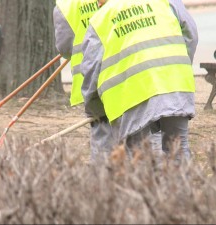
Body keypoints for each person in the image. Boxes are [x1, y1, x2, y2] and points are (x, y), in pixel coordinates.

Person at [81, 0, 198, 161]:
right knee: (178, 148)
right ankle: (181, 185)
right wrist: (180, 67)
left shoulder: (102, 18)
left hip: (134, 94)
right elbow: (191, 35)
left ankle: (148, 185)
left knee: (139, 155)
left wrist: (94, 109)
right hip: (175, 83)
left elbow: (91, 69)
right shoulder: (166, 1)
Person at [53, 0, 118, 162]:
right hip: (126, 69)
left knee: (103, 131)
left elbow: (64, 47)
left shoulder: (67, 4)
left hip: (92, 76)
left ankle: (104, 179)